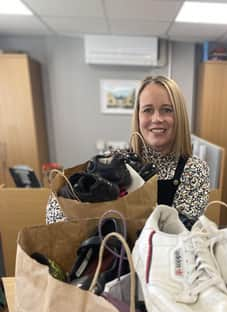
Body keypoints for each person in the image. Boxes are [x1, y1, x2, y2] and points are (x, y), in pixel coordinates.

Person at [46, 75, 210, 224]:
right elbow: (55, 214)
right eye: (148, 110)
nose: (157, 119)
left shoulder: (194, 170)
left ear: (179, 115)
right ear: (138, 116)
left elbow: (180, 230)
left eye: (167, 110)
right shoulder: (115, 160)